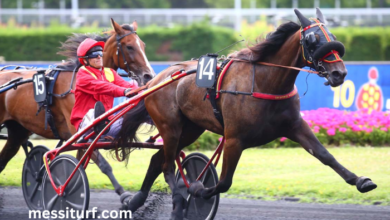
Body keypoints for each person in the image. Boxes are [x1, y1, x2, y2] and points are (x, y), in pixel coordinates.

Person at [70, 38, 138, 138]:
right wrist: (124, 91)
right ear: (85, 60)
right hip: (85, 124)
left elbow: (128, 85)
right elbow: (103, 87)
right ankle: (100, 127)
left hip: (109, 121)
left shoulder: (110, 72)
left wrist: (139, 89)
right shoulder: (82, 74)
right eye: (94, 54)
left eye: (100, 53)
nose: (99, 56)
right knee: (94, 113)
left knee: (134, 117)